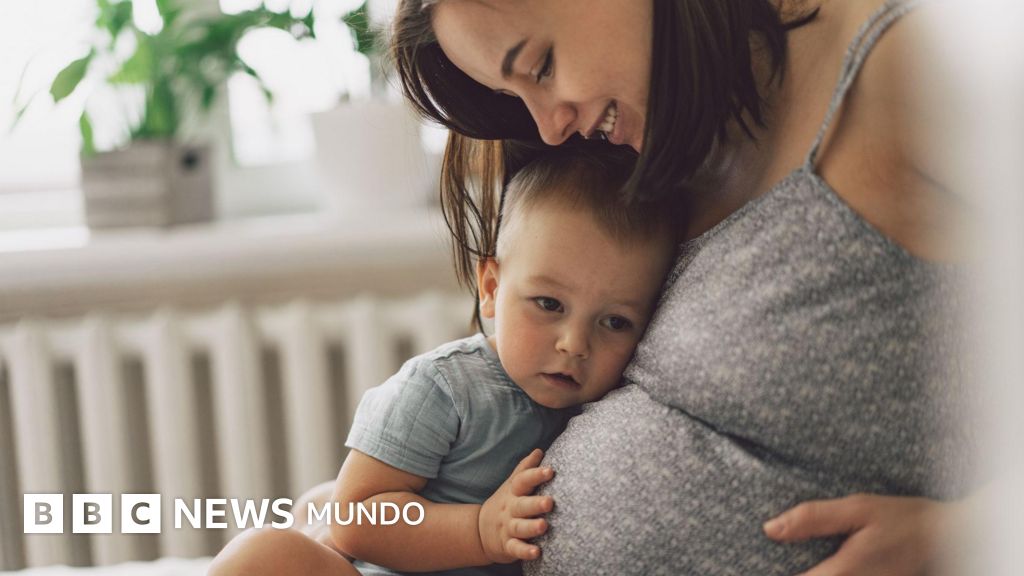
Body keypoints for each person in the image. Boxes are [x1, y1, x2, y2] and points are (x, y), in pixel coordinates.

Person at [389, 0, 976, 574]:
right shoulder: (640, 141)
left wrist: (958, 536)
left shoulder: (911, 64)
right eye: (514, 97)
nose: (548, 125)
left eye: (542, 66)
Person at [208, 145, 681, 575]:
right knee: (265, 554)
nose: (575, 344)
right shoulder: (445, 388)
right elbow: (358, 518)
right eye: (549, 304)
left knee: (317, 510)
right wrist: (479, 530)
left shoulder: (617, 406)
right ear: (492, 289)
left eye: (615, 323)